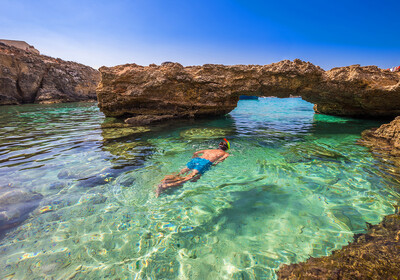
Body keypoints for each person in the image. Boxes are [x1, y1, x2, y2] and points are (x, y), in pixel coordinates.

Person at [156, 139, 231, 197]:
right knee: (189, 178)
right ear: (227, 148)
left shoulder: (209, 150)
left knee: (179, 173)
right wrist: (214, 164)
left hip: (196, 160)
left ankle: (164, 180)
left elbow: (196, 153)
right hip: (204, 163)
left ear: (219, 145)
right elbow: (220, 160)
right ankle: (165, 186)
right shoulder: (225, 153)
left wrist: (195, 159)